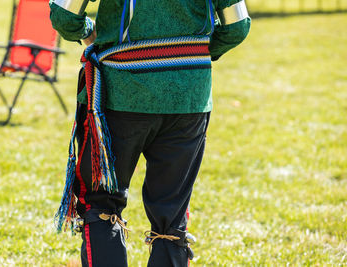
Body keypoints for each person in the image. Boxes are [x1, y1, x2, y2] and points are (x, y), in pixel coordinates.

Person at [50, 0, 250, 266]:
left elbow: (64, 16)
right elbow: (237, 26)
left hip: (121, 95)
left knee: (101, 205)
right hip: (188, 98)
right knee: (172, 212)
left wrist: (90, 32)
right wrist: (191, 53)